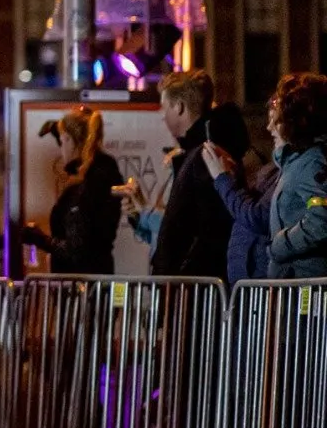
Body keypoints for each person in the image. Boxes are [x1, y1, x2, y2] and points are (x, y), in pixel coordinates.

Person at [206, 72, 327, 280]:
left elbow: (321, 219)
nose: (269, 127)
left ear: (295, 121)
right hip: (291, 283)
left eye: (276, 120)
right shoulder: (295, 163)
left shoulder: (310, 163)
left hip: (303, 286)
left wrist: (278, 245)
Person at [148, 70, 242, 278]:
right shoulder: (200, 152)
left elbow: (200, 228)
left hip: (191, 285)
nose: (162, 116)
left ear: (179, 107)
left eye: (164, 108)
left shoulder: (204, 156)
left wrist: (176, 272)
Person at [19, 107, 124, 275]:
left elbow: (78, 250)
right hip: (90, 282)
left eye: (62, 141)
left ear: (69, 139)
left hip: (82, 288)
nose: (61, 150)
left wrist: (40, 239)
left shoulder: (90, 182)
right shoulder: (100, 173)